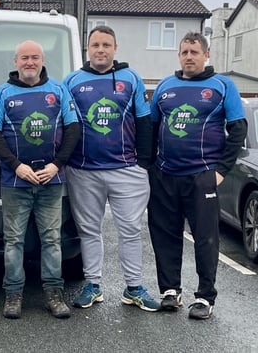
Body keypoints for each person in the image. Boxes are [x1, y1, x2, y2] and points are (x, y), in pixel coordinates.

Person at [148, 32, 247, 320]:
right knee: (164, 234)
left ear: (206, 54)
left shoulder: (222, 86)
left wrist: (220, 172)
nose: (189, 56)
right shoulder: (165, 86)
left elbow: (238, 129)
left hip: (202, 176)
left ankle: (205, 297)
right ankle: (169, 291)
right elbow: (152, 130)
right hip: (166, 175)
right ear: (179, 56)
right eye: (184, 52)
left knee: (205, 238)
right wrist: (151, 166)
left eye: (194, 51)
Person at [62, 25, 159, 312]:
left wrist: (143, 164)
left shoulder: (131, 79)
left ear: (115, 49)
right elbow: (66, 125)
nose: (100, 50)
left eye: (106, 45)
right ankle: (92, 285)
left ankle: (134, 287)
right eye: (95, 45)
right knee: (89, 230)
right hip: (83, 170)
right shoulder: (72, 80)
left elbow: (144, 122)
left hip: (126, 169)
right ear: (88, 49)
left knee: (130, 229)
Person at [0, 39, 80, 319]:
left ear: (42, 60)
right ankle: (13, 294)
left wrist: (56, 164)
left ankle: (53, 293)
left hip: (51, 180)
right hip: (15, 182)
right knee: (13, 241)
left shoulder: (59, 91)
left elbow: (73, 130)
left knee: (52, 240)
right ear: (15, 62)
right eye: (24, 57)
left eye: (35, 57)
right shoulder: (2, 93)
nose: (30, 62)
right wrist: (16, 166)